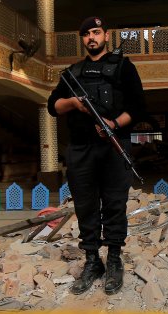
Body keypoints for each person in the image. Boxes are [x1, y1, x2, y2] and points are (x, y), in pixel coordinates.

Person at [47, 16, 145, 295]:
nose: (92, 37)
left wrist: (113, 124)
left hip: (114, 145)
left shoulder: (124, 67)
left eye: (96, 32)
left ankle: (114, 259)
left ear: (105, 35)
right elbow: (53, 106)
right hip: (80, 149)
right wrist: (74, 104)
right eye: (87, 34)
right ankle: (92, 261)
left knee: (114, 203)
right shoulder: (71, 73)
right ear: (82, 39)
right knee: (86, 206)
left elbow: (139, 108)